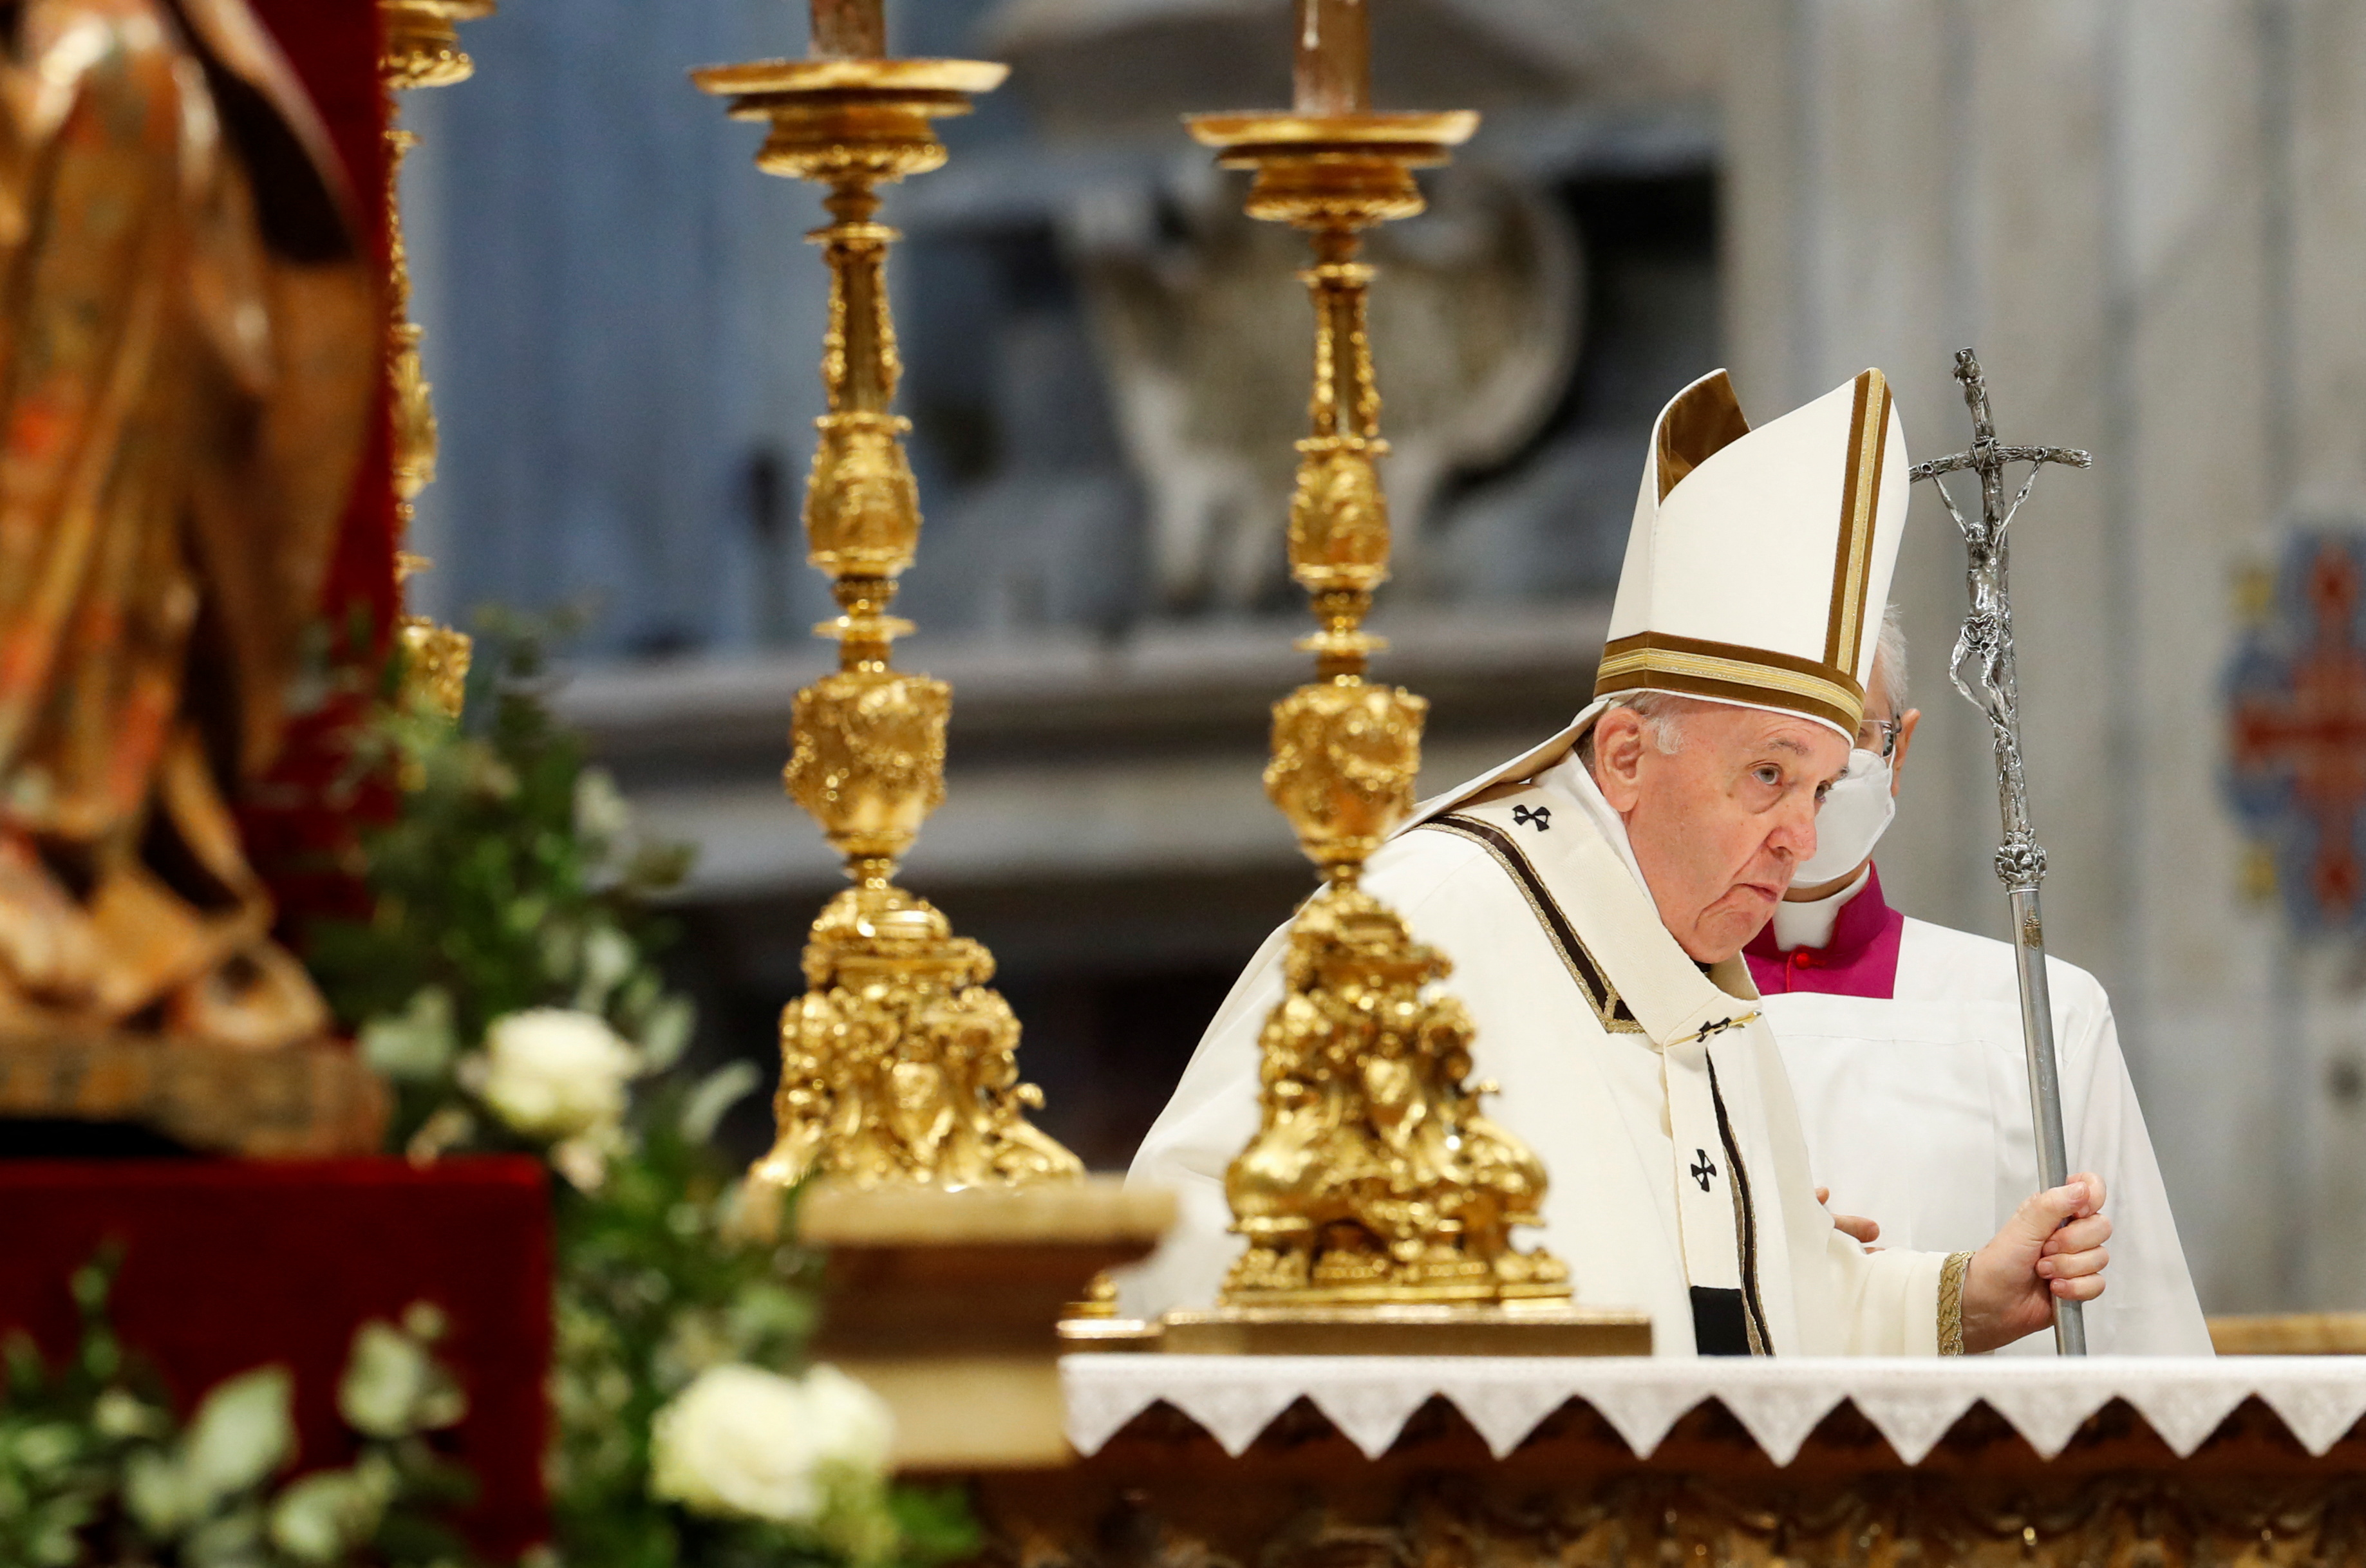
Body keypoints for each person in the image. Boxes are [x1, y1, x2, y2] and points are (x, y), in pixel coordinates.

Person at [1126, 368, 2113, 1356]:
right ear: (1627, 757)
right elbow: (1178, 1232)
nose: (1800, 838)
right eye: (1766, 774)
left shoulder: (1695, 981)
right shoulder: (1420, 924)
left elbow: (1754, 1305)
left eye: (1818, 787)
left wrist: (1959, 1300)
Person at [1746, 608, 2211, 1355]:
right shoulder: (1624, 997)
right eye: (1774, 752)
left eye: (1852, 731)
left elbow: (2137, 1338)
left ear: (1900, 751)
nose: (1818, 779)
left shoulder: (2041, 1012)